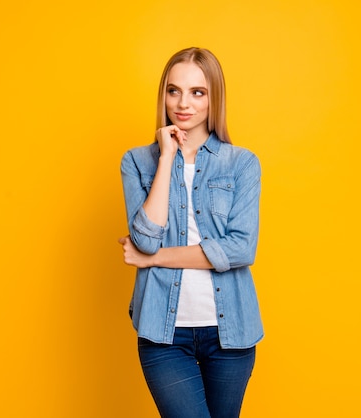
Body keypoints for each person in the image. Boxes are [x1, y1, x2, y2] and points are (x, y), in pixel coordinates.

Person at [118, 47, 263, 418]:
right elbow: (146, 238)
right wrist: (167, 157)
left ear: (215, 97)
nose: (183, 103)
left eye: (198, 92)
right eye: (173, 90)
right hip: (163, 334)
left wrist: (156, 258)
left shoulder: (242, 163)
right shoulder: (137, 161)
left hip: (230, 334)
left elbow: (242, 249)